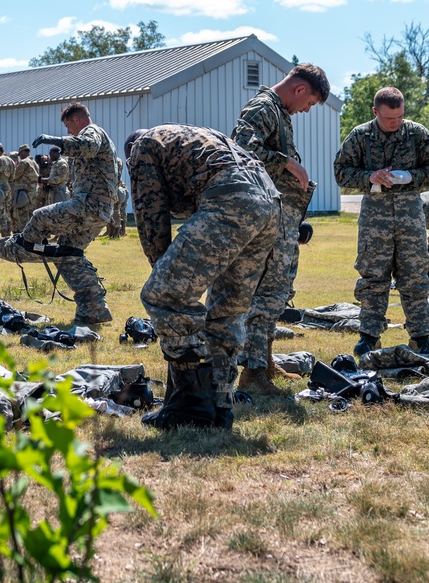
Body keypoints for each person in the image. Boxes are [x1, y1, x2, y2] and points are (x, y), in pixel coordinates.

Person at [128, 124, 278, 430]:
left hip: (232, 197)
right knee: (225, 312)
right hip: (269, 200)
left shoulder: (143, 147)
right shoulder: (192, 138)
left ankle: (191, 407)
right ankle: (220, 404)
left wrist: (164, 270)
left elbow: (151, 216)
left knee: (164, 294)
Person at [0, 102, 119, 325]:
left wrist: (54, 140)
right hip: (99, 209)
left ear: (77, 120)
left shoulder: (92, 132)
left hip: (88, 206)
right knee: (68, 254)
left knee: (39, 216)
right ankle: (94, 309)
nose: (68, 131)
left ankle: (22, 247)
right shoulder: (99, 140)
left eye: (69, 126)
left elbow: (86, 145)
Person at [232, 63, 331, 395]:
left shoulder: (278, 112)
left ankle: (266, 361)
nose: (306, 110)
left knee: (276, 295)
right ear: (300, 89)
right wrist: (288, 161)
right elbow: (241, 149)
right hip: (267, 222)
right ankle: (253, 373)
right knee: (265, 295)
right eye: (310, 103)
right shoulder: (264, 107)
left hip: (282, 222)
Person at [334, 87, 429, 357]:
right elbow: (341, 171)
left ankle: (420, 338)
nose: (395, 123)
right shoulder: (360, 136)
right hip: (375, 217)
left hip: (410, 215)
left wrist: (411, 177)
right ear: (375, 112)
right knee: (373, 276)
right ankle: (369, 337)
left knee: (415, 276)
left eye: (399, 117)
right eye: (389, 119)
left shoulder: (416, 133)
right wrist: (369, 177)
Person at [9, 144, 39, 233]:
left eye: (20, 154)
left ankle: (23, 237)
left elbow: (15, 176)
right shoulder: (34, 163)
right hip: (32, 194)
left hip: (23, 193)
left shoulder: (23, 162)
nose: (19, 156)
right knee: (31, 216)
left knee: (21, 216)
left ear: (23, 152)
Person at [107, 154, 128, 238]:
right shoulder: (119, 161)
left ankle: (116, 232)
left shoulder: (112, 161)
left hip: (114, 190)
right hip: (118, 189)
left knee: (115, 211)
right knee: (118, 211)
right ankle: (119, 231)